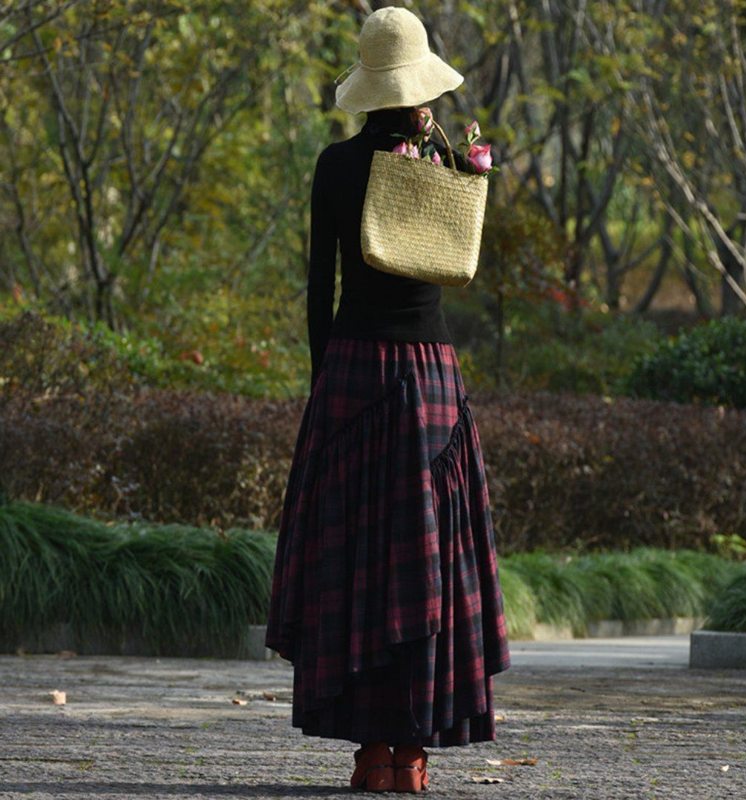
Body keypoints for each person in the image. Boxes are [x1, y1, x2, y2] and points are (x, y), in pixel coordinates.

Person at [265, 6, 510, 794]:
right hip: (430, 374)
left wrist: (321, 384)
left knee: (359, 558)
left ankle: (370, 751)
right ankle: (413, 754)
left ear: (366, 88)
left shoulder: (334, 166)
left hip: (352, 373)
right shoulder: (445, 160)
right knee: (428, 560)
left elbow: (319, 290)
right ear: (421, 86)